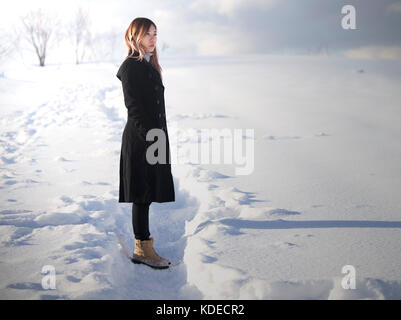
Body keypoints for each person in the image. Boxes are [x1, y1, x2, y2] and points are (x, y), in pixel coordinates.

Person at [116, 17, 175, 269]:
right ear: (135, 36)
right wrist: (151, 137)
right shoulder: (131, 67)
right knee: (141, 194)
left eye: (155, 33)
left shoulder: (150, 64)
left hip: (155, 136)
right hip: (143, 139)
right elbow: (135, 109)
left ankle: (145, 245)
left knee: (149, 191)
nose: (153, 39)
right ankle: (142, 248)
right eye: (147, 34)